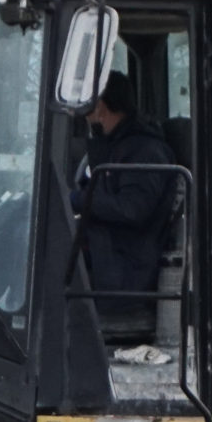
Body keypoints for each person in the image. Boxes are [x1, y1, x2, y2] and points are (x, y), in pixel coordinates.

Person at [72, 70, 183, 336]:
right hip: (111, 255)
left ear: (99, 106)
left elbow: (133, 209)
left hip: (125, 269)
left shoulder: (145, 151)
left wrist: (81, 199)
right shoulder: (119, 146)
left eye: (87, 104)